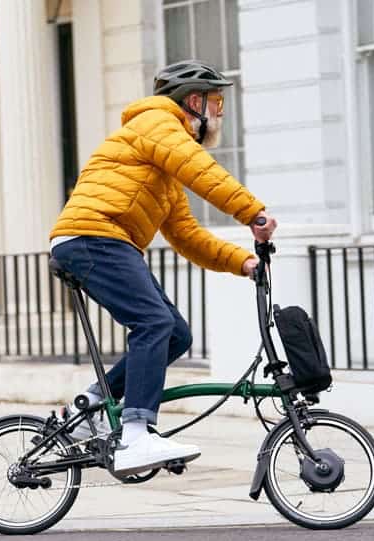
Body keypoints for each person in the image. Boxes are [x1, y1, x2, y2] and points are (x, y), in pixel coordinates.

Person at [49, 60, 277, 475]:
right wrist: (253, 214)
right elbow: (200, 170)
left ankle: (87, 408)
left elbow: (186, 235)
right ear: (194, 101)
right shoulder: (157, 123)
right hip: (93, 237)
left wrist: (242, 262)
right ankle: (136, 433)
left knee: (175, 334)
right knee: (153, 323)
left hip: (105, 241)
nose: (220, 112)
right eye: (217, 101)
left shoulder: (162, 163)